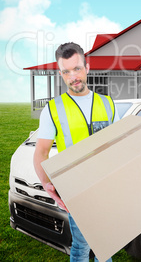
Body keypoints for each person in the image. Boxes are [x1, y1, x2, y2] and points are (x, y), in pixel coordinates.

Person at [34, 42, 119, 262]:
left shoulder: (108, 104)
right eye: (66, 71)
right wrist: (47, 185)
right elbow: (41, 152)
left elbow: (119, 145)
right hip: (76, 191)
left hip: (106, 189)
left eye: (77, 68)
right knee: (82, 245)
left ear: (87, 67)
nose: (73, 76)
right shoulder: (53, 109)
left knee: (105, 242)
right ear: (61, 74)